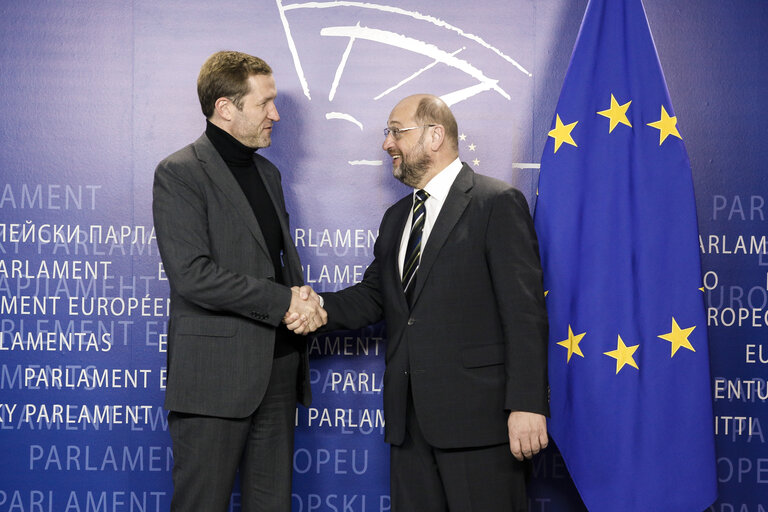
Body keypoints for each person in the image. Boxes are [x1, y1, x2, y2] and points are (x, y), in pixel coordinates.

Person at [296, 94, 549, 511]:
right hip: (409, 425)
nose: (387, 144)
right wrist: (313, 307)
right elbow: (374, 297)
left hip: (480, 425)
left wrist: (526, 404)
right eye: (387, 133)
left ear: (435, 135)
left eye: (397, 131)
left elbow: (524, 313)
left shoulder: (495, 202)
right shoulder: (397, 219)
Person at [152, 50, 326, 512]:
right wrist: (285, 301)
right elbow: (193, 276)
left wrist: (303, 298)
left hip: (278, 370)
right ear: (226, 108)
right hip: (214, 378)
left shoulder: (268, 172)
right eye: (264, 102)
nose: (276, 113)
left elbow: (275, 262)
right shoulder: (181, 173)